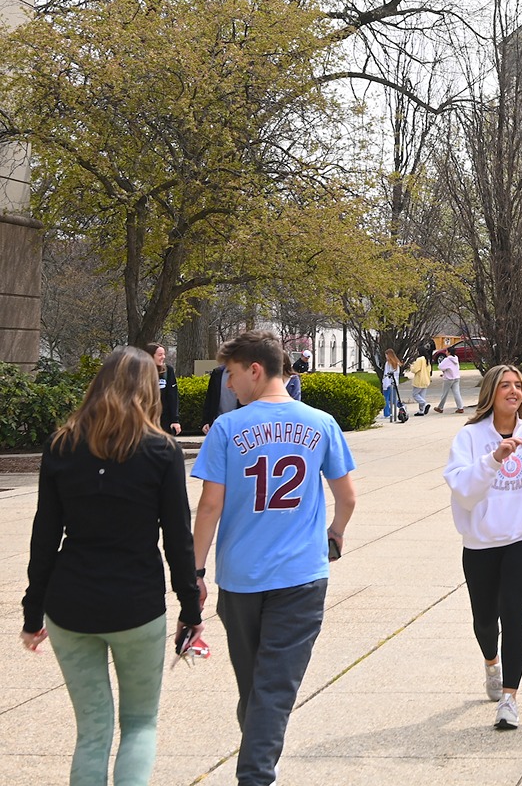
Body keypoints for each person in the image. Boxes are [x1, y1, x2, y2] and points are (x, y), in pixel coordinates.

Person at [21, 346, 203, 786]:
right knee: (140, 724)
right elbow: (177, 540)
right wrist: (190, 609)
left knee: (92, 732)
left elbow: (45, 536)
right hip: (136, 604)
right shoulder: (161, 451)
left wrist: (33, 612)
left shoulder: (62, 446)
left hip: (70, 604)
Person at [191, 329, 357, 786]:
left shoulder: (227, 428)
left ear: (255, 369)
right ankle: (261, 766)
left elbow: (209, 506)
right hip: (301, 574)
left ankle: (256, 775)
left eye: (231, 373)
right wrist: (335, 535)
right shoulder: (321, 424)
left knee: (259, 687)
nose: (228, 384)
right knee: (267, 690)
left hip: (242, 576)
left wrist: (196, 570)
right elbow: (347, 496)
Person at [443, 365, 522, 730]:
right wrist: (495, 458)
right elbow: (464, 490)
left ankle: (509, 699)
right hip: (480, 542)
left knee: (514, 613)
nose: (513, 391)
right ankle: (492, 661)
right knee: (484, 620)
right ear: (491, 392)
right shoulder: (470, 437)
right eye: (505, 385)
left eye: (518, 386)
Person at [147, 342, 181, 436]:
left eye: (164, 354)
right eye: (160, 355)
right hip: (145, 420)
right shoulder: (140, 372)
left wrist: (175, 420)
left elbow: (173, 396)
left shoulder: (168, 370)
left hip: (164, 421)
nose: (163, 357)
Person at [201, 361, 241, 432]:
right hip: (219, 423)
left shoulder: (245, 374)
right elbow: (210, 398)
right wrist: (206, 421)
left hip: (239, 423)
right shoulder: (217, 373)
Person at [434, 349, 466, 414]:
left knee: (444, 394)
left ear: (449, 352)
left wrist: (445, 371)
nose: (445, 352)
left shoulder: (447, 359)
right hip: (456, 378)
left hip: (448, 379)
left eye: (446, 351)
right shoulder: (456, 358)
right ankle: (460, 407)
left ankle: (440, 408)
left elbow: (440, 367)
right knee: (457, 393)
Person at [409, 349, 433, 416]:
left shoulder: (419, 359)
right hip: (426, 379)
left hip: (419, 379)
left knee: (415, 394)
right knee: (422, 395)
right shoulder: (426, 360)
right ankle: (421, 411)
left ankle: (424, 404)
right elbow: (429, 369)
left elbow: (415, 370)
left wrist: (411, 366)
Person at [381, 348, 403, 421]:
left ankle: (387, 413)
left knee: (385, 398)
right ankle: (402, 407)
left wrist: (384, 383)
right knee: (393, 399)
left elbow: (386, 374)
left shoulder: (388, 363)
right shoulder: (397, 363)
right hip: (394, 383)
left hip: (387, 383)